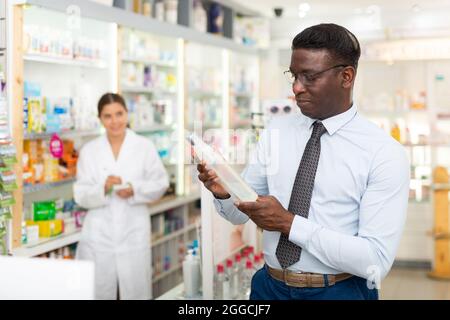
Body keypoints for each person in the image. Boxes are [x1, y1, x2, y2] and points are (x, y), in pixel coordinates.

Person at [197, 23, 410, 300]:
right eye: (294, 75)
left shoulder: (383, 153)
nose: (297, 88)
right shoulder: (277, 131)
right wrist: (225, 192)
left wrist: (289, 223)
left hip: (340, 290)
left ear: (346, 76)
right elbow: (240, 212)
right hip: (268, 286)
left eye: (310, 76)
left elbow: (375, 261)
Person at [74, 93, 169, 300]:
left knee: (136, 292)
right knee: (98, 292)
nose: (114, 121)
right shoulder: (89, 151)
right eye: (107, 116)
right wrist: (103, 187)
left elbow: (161, 183)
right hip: (99, 235)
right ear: (100, 118)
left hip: (132, 231)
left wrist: (135, 189)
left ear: (127, 114)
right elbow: (80, 194)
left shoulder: (144, 146)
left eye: (119, 114)